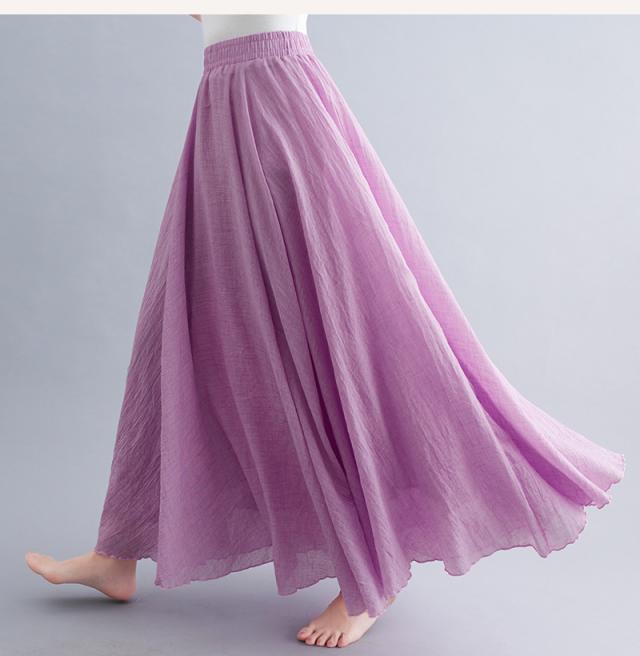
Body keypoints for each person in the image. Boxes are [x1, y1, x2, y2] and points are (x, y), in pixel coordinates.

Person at [25, 15, 625, 650]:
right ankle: (118, 552)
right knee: (178, 326)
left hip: (279, 99)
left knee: (327, 323)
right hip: (220, 109)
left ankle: (371, 574)